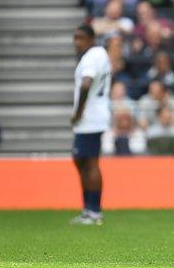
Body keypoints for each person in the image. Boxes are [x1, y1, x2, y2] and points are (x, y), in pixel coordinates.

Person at [69, 25, 112, 226]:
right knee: (81, 161)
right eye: (75, 38)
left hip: (90, 118)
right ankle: (89, 209)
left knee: (90, 163)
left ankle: (93, 211)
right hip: (93, 117)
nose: (78, 42)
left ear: (91, 39)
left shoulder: (92, 57)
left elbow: (86, 84)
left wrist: (78, 113)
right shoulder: (99, 54)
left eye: (81, 38)